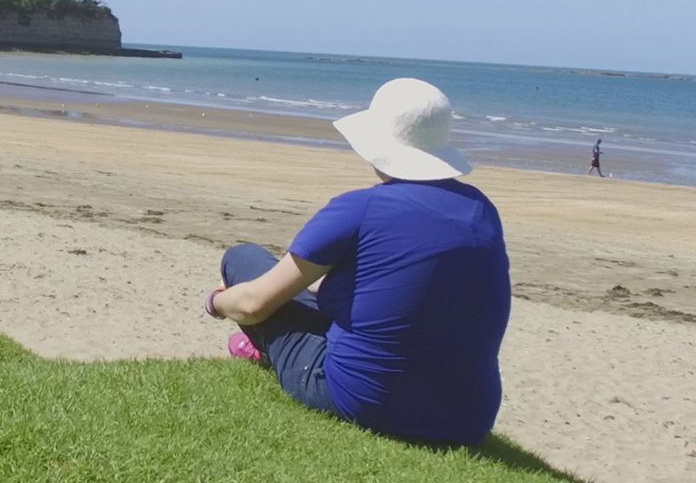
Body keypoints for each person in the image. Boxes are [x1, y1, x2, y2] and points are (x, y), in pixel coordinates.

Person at [205, 78, 511, 446]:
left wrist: (217, 302)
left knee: (243, 259)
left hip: (367, 401)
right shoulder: (481, 209)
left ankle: (264, 346)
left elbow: (254, 304)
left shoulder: (360, 207)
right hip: (469, 417)